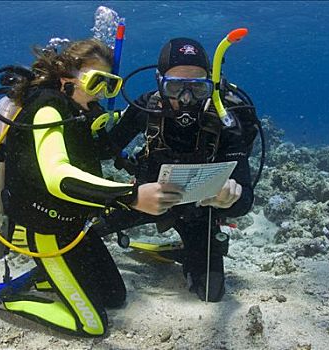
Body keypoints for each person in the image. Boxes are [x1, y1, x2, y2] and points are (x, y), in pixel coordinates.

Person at [0, 39, 184, 336]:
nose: (100, 95)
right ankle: (8, 300)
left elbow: (101, 150)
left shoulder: (77, 112)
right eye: (96, 83)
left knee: (115, 297)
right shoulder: (48, 107)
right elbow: (58, 178)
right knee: (92, 325)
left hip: (74, 227)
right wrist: (131, 195)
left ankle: (49, 277)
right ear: (66, 77)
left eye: (109, 86)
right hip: (46, 231)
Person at [91, 37, 259, 302]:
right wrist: (93, 118)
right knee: (84, 231)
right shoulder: (146, 107)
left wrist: (229, 199)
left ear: (213, 84)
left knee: (211, 293)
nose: (186, 98)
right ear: (159, 81)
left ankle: (186, 251)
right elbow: (101, 152)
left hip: (200, 214)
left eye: (198, 88)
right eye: (175, 87)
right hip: (143, 201)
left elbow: (245, 201)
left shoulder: (228, 118)